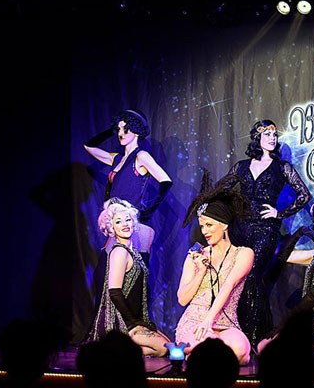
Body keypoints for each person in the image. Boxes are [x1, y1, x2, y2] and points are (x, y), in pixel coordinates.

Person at [211, 119, 312, 347]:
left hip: (265, 230)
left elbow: (304, 195)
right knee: (236, 278)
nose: (272, 138)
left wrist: (279, 213)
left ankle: (255, 336)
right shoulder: (241, 166)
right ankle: (235, 334)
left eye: (274, 135)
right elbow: (220, 190)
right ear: (257, 137)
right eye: (267, 134)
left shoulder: (282, 167)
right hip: (240, 229)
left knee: (253, 275)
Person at [258, 196, 314, 359]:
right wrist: (299, 233)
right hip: (308, 324)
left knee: (267, 349)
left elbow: (313, 296)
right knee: (263, 348)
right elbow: (282, 257)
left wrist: (284, 325)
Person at [177, 180, 254, 365]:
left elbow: (229, 285)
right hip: (195, 320)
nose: (204, 231)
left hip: (225, 322)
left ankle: (197, 356)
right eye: (202, 226)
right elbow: (182, 299)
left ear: (224, 225)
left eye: (209, 225)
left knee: (240, 350)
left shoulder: (243, 253)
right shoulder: (195, 256)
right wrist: (201, 271)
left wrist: (209, 321)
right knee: (211, 350)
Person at [84, 109, 172, 258]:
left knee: (132, 272)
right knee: (111, 272)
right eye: (119, 130)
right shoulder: (116, 159)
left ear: (136, 131)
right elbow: (89, 146)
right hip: (116, 225)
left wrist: (148, 208)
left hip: (132, 226)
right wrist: (111, 130)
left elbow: (166, 181)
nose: (121, 133)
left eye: (126, 129)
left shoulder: (141, 156)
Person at [87, 198, 169, 356]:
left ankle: (121, 349)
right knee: (164, 348)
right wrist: (133, 324)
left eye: (128, 219)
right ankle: (118, 348)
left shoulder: (133, 253)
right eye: (119, 221)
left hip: (132, 319)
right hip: (120, 323)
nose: (125, 224)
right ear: (112, 228)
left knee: (168, 343)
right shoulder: (119, 252)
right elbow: (115, 292)